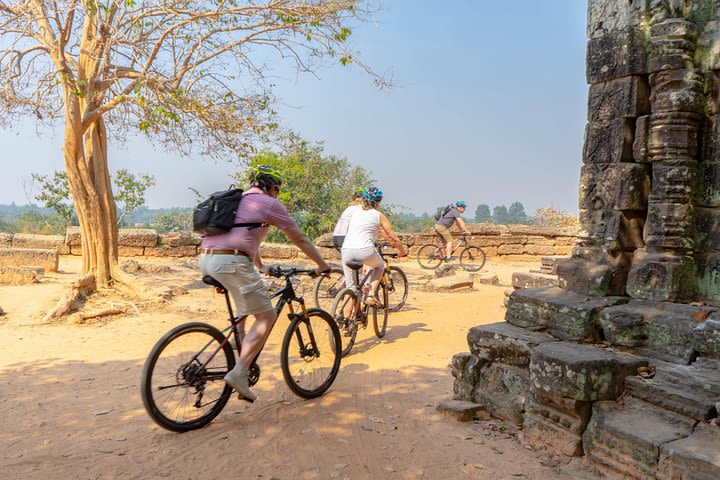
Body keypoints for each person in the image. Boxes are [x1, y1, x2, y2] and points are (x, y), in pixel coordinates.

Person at [198, 164, 330, 401]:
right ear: (271, 188)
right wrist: (322, 264)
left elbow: (245, 235)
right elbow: (299, 238)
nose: (276, 194)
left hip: (207, 259)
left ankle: (240, 353)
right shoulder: (269, 204)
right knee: (266, 317)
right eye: (277, 190)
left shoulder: (238, 200)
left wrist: (260, 266)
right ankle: (239, 372)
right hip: (232, 262)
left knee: (245, 307)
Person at [341, 187, 407, 309]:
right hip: (365, 250)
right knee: (379, 265)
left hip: (346, 250)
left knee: (350, 289)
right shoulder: (379, 215)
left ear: (363, 199)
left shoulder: (354, 212)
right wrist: (402, 251)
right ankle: (371, 294)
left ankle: (346, 323)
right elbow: (393, 237)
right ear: (378, 201)